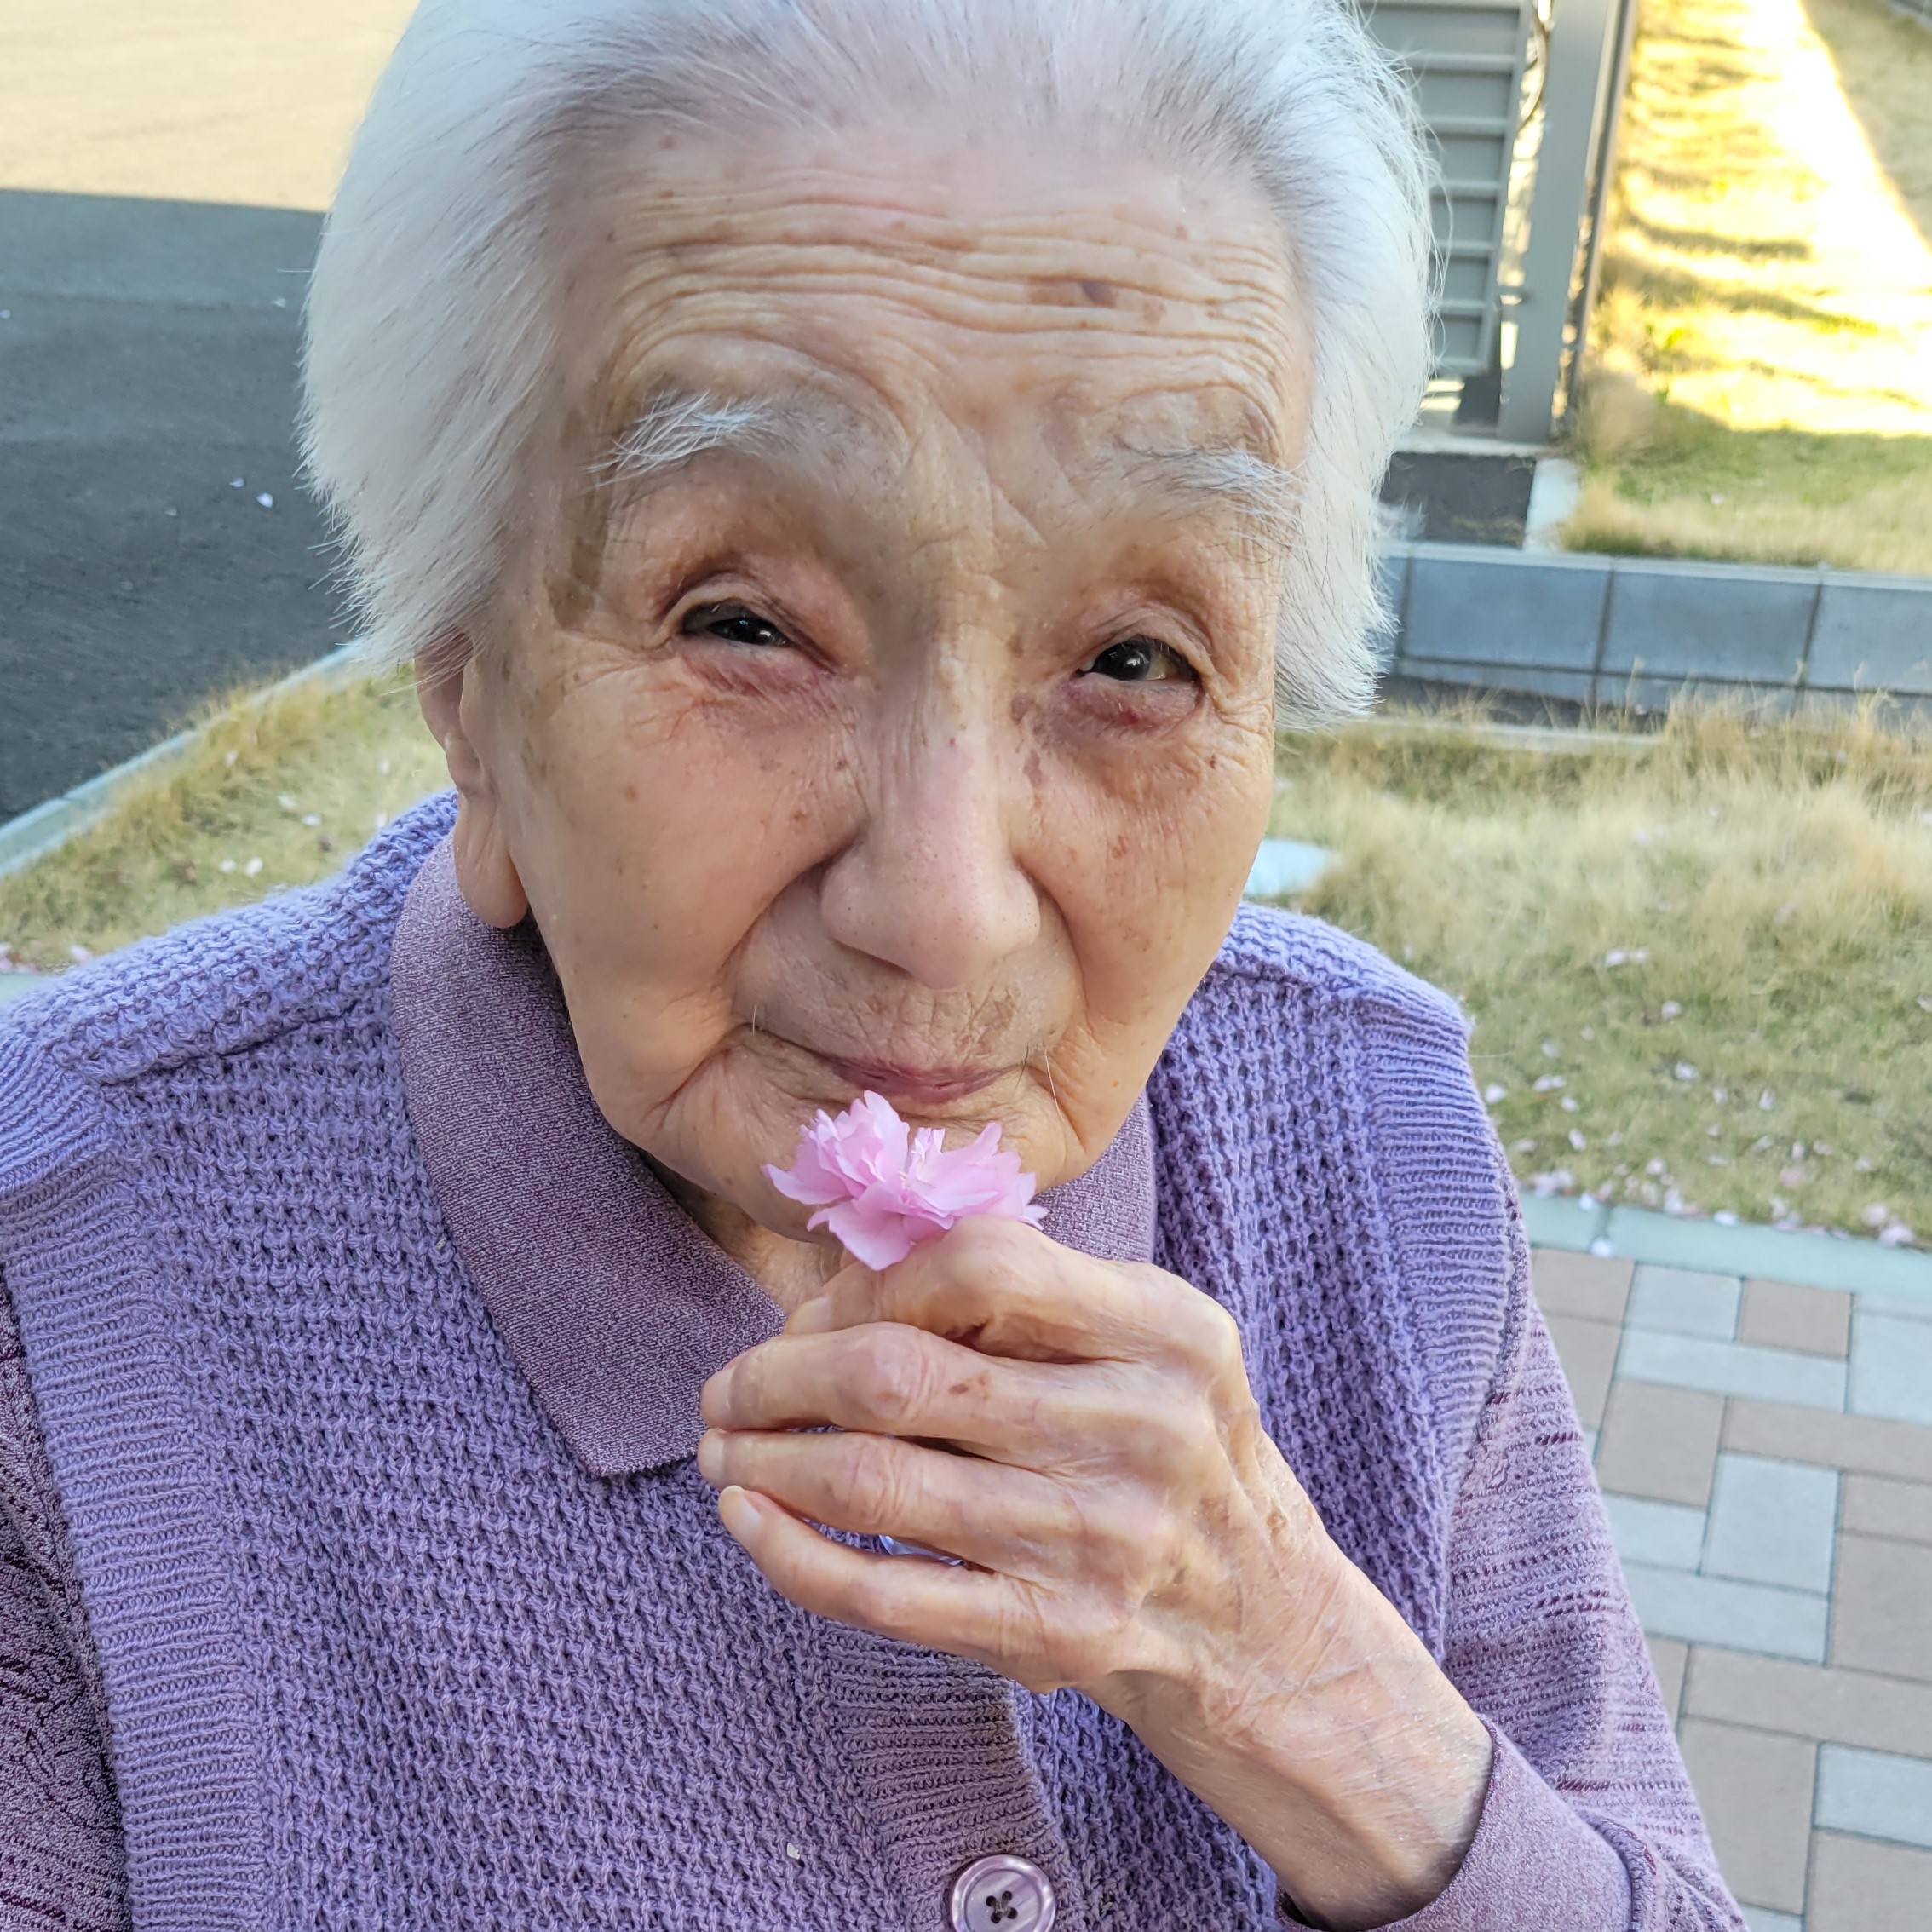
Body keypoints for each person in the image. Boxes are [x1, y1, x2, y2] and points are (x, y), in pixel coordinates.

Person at [0, 2, 1745, 1928]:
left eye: (1138, 659)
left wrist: (1305, 1685)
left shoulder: (1372, 1133)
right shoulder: (58, 1288)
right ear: (471, 695)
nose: (945, 910)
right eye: (746, 621)